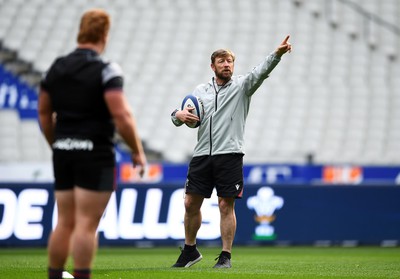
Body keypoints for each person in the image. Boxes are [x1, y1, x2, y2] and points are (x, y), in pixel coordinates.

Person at [38, 8, 147, 279]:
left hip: (63, 151)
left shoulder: (56, 67)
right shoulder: (106, 69)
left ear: (81, 31)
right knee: (86, 225)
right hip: (94, 153)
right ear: (105, 35)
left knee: (64, 222)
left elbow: (44, 113)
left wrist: (58, 143)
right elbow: (121, 115)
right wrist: (137, 151)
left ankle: (54, 275)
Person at [170, 35, 292, 268]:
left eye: (230, 61)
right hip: (202, 154)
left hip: (230, 154)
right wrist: (177, 114)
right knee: (189, 204)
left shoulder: (242, 86)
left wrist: (276, 54)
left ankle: (225, 256)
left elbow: (261, 72)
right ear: (213, 65)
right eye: (222, 61)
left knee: (226, 205)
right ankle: (190, 251)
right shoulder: (200, 91)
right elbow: (182, 116)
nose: (227, 65)